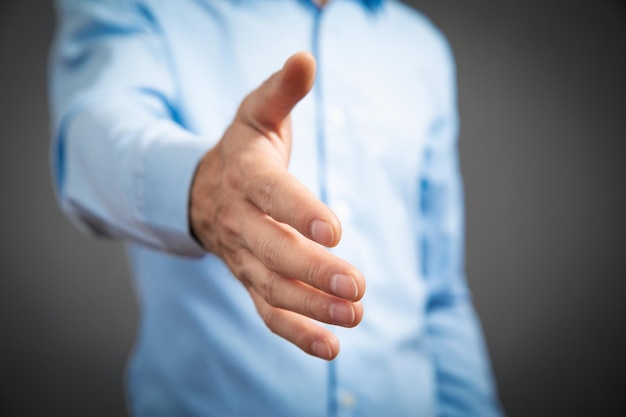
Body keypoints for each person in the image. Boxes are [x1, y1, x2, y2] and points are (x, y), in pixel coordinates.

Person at [49, 0, 503, 415]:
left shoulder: (421, 50)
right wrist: (202, 187)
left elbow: (441, 297)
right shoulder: (143, 8)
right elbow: (94, 136)